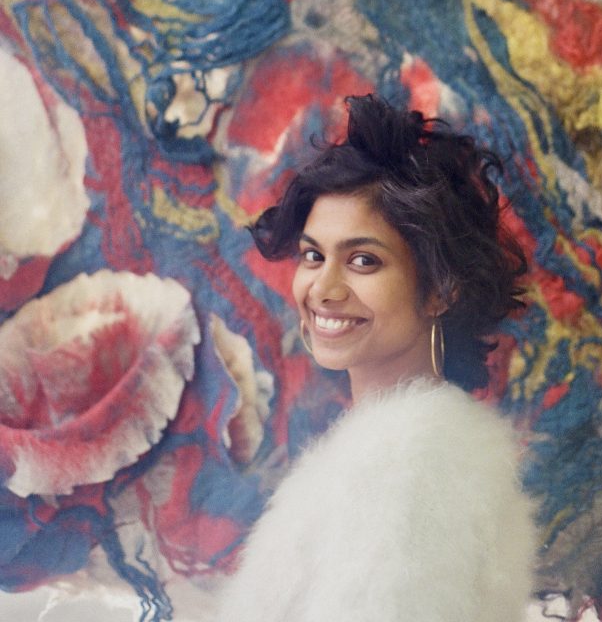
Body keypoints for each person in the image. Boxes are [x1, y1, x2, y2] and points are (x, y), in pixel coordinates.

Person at [220, 94, 535, 622]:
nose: (324, 288)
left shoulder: (407, 469)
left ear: (441, 290)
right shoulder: (411, 451)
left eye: (363, 260)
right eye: (313, 255)